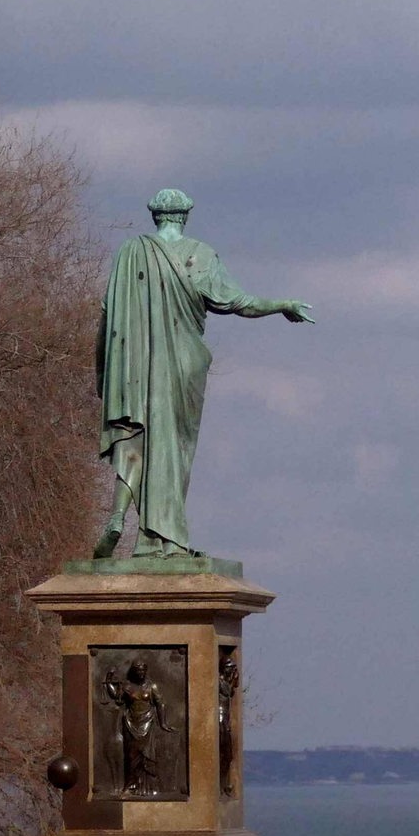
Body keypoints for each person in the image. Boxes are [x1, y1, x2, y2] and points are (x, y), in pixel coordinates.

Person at [94, 188, 314, 558]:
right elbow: (239, 302)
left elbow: (108, 316)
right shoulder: (200, 255)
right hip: (181, 367)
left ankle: (119, 517)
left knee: (135, 439)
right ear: (184, 216)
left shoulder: (129, 254)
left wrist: (104, 369)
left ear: (155, 217)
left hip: (133, 365)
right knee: (173, 451)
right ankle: (167, 542)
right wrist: (283, 305)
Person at [103, 660, 177, 796]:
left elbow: (160, 704)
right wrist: (108, 678)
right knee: (132, 756)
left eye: (143, 670)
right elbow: (115, 695)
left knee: (148, 756)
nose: (141, 673)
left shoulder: (151, 686)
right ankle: (131, 784)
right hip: (131, 724)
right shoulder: (127, 686)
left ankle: (151, 787)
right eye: (138, 670)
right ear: (134, 672)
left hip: (147, 723)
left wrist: (163, 723)